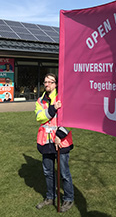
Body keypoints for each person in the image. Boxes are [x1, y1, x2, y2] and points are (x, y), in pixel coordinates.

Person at [34, 73, 74, 213]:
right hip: (46, 142)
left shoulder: (62, 98)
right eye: (45, 82)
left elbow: (69, 119)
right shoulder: (40, 101)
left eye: (50, 82)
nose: (47, 84)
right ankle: (50, 197)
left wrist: (59, 135)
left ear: (56, 84)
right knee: (48, 173)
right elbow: (39, 117)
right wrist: (52, 109)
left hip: (61, 142)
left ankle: (68, 198)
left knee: (64, 173)